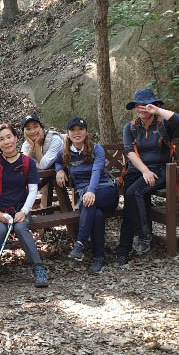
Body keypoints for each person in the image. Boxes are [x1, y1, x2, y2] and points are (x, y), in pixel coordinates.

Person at [114, 89, 179, 265]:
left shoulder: (163, 124)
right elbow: (129, 152)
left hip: (161, 170)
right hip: (138, 171)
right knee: (131, 201)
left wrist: (157, 110)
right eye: (139, 105)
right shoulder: (130, 127)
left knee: (133, 193)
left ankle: (139, 237)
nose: (143, 108)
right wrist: (145, 171)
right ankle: (127, 247)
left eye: (146, 105)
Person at [0, 123, 48, 290]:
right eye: (1, 139)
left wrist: (24, 212)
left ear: (16, 138)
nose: (6, 142)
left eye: (9, 137)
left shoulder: (27, 162)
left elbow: (33, 190)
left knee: (20, 228)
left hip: (20, 209)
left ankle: (39, 269)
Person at [55, 117, 117, 274]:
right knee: (96, 214)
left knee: (89, 203)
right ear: (68, 134)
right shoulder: (65, 152)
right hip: (88, 198)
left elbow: (96, 170)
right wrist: (59, 170)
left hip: (106, 192)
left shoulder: (97, 149)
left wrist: (91, 191)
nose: (77, 133)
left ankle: (80, 243)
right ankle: (98, 257)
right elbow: (57, 161)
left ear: (86, 132)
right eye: (73, 130)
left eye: (80, 129)